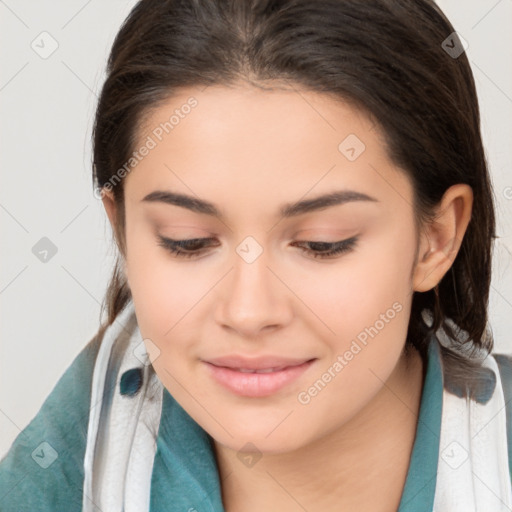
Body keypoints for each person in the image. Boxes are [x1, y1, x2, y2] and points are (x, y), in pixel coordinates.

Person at [1, 0, 511, 510]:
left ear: (437, 237)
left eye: (321, 243)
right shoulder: (58, 476)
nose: (249, 312)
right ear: (124, 231)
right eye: (187, 240)